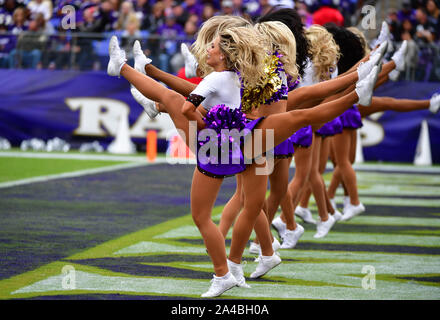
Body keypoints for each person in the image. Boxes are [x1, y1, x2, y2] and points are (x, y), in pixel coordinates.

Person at [107, 19, 380, 298]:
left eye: (212, 46)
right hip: (251, 140)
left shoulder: (254, 73)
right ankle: (256, 256)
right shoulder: (255, 72)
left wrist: (203, 120)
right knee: (254, 199)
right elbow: (301, 100)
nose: (209, 48)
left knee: (220, 204)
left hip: (227, 144)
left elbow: (189, 103)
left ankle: (231, 267)